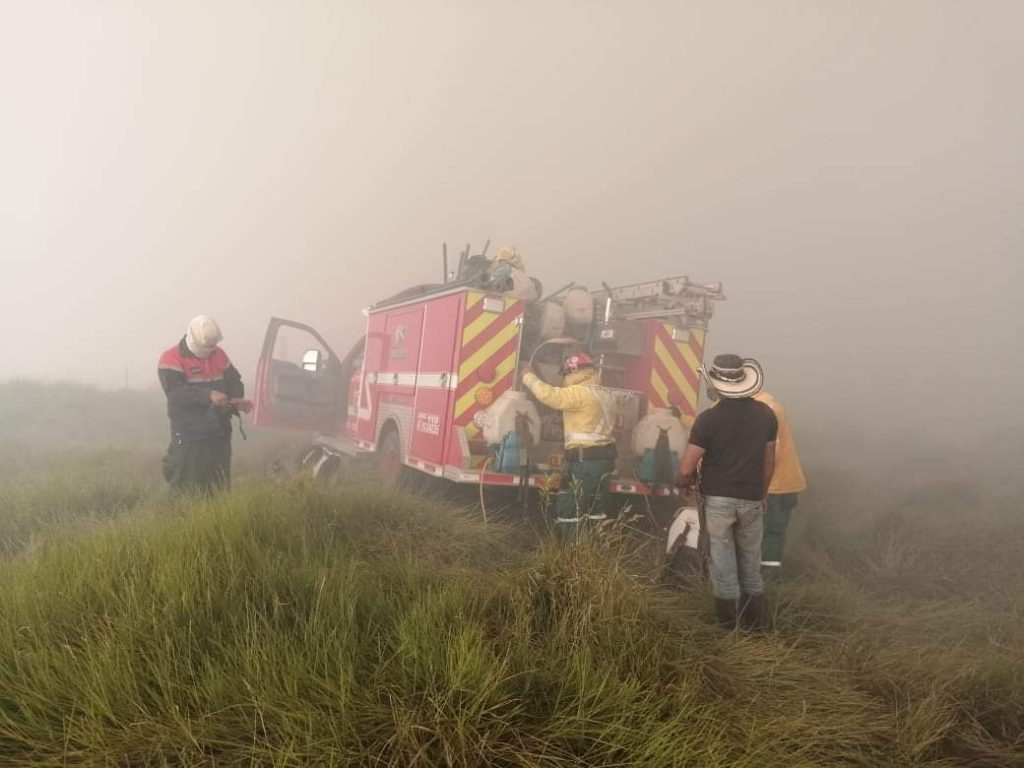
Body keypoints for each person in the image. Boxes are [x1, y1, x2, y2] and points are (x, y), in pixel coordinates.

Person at [678, 354, 777, 630]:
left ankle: (727, 630)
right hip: (752, 500)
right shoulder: (765, 415)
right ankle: (756, 628)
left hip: (718, 501)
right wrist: (762, 494)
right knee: (750, 565)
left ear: (716, 384)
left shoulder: (708, 419)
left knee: (722, 566)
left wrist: (682, 483)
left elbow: (687, 466)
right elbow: (770, 461)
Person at [522, 352, 617, 540]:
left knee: (570, 509)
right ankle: (593, 555)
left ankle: (570, 555)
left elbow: (550, 396)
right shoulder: (605, 393)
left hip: (584, 462)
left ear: (572, 372)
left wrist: (527, 376)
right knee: (596, 511)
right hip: (605, 461)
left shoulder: (580, 393)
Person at [157, 315, 251, 494]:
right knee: (188, 485)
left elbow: (234, 381)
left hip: (220, 432)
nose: (209, 350)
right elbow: (176, 394)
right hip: (190, 434)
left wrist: (237, 398)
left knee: (219, 484)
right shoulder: (171, 358)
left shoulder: (219, 354)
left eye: (212, 346)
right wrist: (207, 395)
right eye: (205, 347)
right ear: (192, 337)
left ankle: (218, 518)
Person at [753, 390, 807, 580]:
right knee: (774, 532)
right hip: (786, 482)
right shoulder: (772, 405)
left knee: (766, 532)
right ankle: (767, 577)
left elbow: (769, 452)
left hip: (772, 484)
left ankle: (763, 580)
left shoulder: (763, 410)